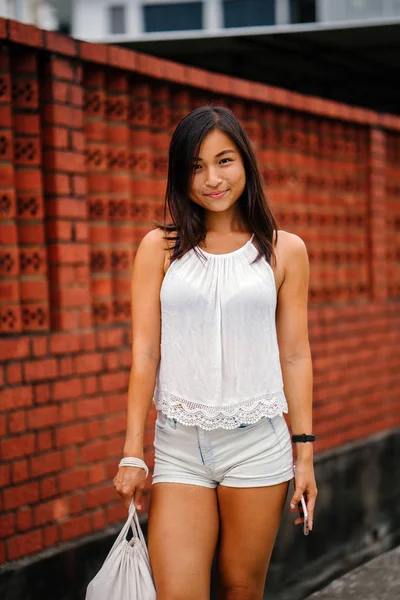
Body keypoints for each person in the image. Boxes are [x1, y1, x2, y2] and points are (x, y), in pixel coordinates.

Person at [113, 105, 317, 599]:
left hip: (257, 446)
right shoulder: (159, 249)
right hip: (180, 447)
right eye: (196, 166)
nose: (212, 179)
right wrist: (132, 452)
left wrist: (305, 454)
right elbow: (144, 353)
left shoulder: (283, 249)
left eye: (223, 161)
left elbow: (294, 354)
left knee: (240, 588)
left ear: (245, 162)